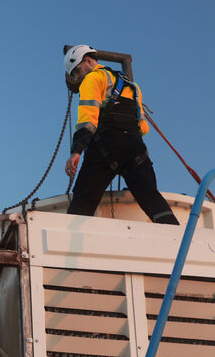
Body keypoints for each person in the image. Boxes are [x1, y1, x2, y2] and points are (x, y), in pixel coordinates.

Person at [62, 44, 179, 224]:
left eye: (77, 71)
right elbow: (143, 128)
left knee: (82, 202)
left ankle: (66, 248)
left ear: (88, 61)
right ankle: (177, 238)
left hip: (105, 146)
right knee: (151, 197)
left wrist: (76, 151)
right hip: (135, 148)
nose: (78, 77)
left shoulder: (92, 79)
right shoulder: (133, 87)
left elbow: (88, 120)